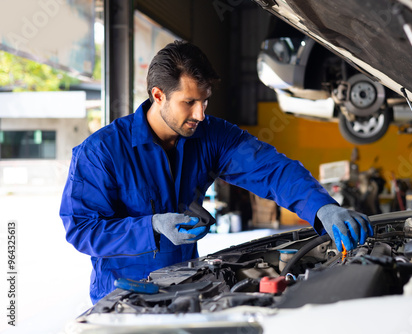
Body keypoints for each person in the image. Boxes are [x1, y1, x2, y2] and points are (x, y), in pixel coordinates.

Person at [60, 40, 373, 304]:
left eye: (205, 101)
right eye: (189, 102)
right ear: (158, 96)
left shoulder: (210, 136)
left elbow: (271, 169)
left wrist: (323, 207)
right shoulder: (100, 152)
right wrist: (152, 226)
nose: (200, 114)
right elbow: (82, 230)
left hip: (187, 291)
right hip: (125, 301)